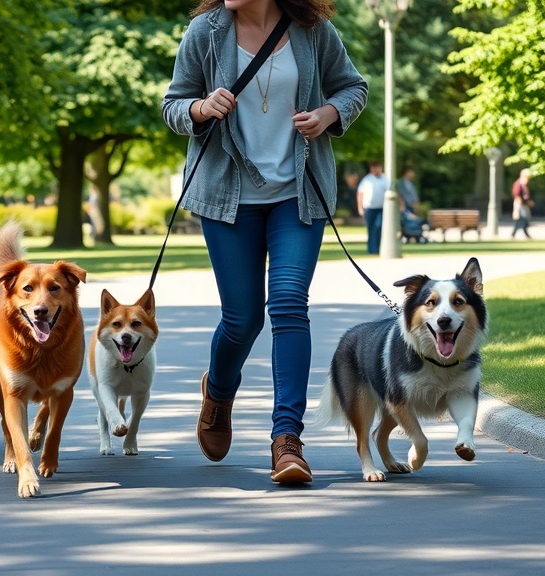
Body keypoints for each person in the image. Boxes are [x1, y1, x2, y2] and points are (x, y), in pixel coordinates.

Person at [162, 0, 367, 484]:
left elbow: (353, 87)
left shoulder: (313, 30)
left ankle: (287, 441)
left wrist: (329, 113)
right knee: (242, 318)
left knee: (290, 304)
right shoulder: (204, 33)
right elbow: (173, 104)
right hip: (226, 198)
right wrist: (199, 107)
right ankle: (218, 391)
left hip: (298, 193)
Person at [356, 160, 388, 254]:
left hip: (381, 208)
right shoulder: (367, 179)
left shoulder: (385, 179)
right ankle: (372, 249)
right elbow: (360, 194)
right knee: (371, 228)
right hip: (369, 208)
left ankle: (378, 248)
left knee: (379, 227)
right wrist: (360, 208)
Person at [512, 168, 533, 239]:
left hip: (524, 204)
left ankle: (516, 233)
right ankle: (522, 233)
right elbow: (517, 196)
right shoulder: (518, 185)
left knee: (523, 219)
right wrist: (518, 208)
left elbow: (526, 196)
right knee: (523, 219)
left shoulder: (524, 186)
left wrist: (528, 202)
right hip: (520, 205)